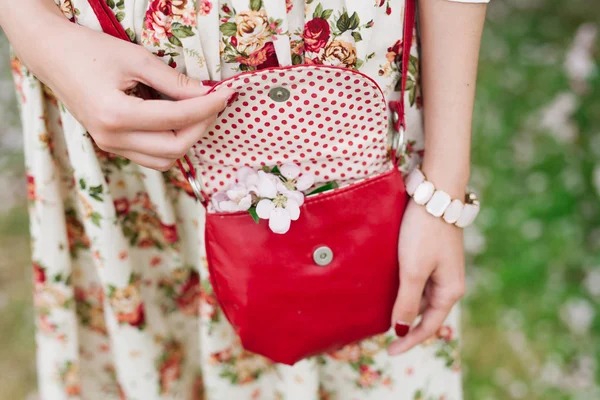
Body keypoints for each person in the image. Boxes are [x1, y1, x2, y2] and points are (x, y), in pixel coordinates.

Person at [1, 0, 489, 398]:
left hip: (347, 118)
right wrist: (35, 28)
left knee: (360, 312)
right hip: (106, 103)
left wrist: (442, 191)